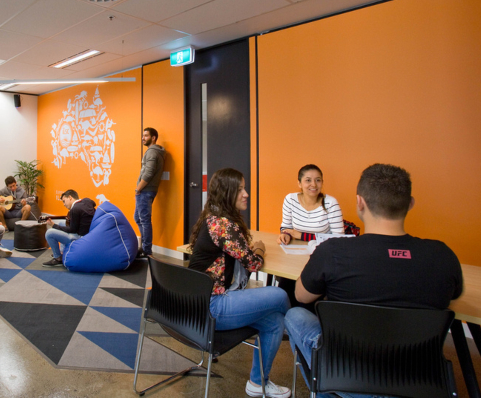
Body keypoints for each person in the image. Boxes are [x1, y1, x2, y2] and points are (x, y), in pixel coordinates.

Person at [284, 164, 463, 398]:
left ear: (359, 203)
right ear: (410, 204)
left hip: (346, 374)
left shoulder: (332, 252)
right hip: (418, 381)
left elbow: (301, 295)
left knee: (294, 314)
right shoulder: (443, 256)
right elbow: (453, 296)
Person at [188, 168, 291, 398]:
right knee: (280, 295)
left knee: (275, 321)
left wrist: (248, 250)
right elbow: (253, 263)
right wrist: (259, 249)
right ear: (227, 193)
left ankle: (257, 383)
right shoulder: (224, 225)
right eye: (240, 189)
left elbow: (236, 253)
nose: (246, 194)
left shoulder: (212, 218)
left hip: (196, 305)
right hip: (212, 307)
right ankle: (299, 340)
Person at [276, 164, 344, 308]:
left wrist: (301, 235)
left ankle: (304, 315)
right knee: (284, 289)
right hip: (296, 256)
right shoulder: (290, 199)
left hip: (321, 256)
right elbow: (286, 226)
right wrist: (285, 235)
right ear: (299, 183)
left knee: (306, 295)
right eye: (308, 180)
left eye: (318, 180)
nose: (313, 184)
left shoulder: (330, 203)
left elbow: (339, 240)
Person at [42, 189, 96, 267]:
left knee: (49, 233)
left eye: (64, 201)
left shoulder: (75, 209)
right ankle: (62, 251)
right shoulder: (86, 201)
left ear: (70, 197)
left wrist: (53, 225)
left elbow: (72, 230)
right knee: (62, 223)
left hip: (81, 237)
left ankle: (58, 258)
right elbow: (93, 203)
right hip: (89, 233)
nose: (64, 204)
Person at [134, 127, 166, 257]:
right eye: (143, 136)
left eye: (146, 136)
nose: (143, 138)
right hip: (147, 190)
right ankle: (145, 247)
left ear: (153, 138)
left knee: (144, 220)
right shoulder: (156, 152)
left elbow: (149, 173)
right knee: (138, 218)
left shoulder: (152, 152)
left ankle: (146, 250)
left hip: (145, 191)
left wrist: (138, 188)